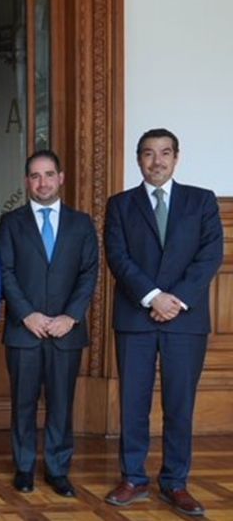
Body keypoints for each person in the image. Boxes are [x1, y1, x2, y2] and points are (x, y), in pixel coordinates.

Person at [103, 128, 223, 517]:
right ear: (139, 159)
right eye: (149, 154)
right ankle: (133, 478)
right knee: (133, 403)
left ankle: (175, 482)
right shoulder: (120, 204)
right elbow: (118, 256)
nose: (157, 161)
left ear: (176, 157)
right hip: (135, 317)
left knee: (180, 404)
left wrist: (176, 300)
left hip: (185, 320)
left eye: (165, 153)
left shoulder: (201, 201)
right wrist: (153, 297)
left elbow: (210, 256)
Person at [0, 150, 98, 497]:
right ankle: (24, 467)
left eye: (49, 174)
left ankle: (57, 468)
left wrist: (70, 316)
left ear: (61, 178)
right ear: (27, 181)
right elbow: (4, 272)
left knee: (61, 404)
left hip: (67, 332)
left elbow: (88, 273)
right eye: (36, 176)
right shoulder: (11, 223)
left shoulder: (81, 223)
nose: (43, 182)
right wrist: (27, 314)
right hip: (24, 331)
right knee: (23, 403)